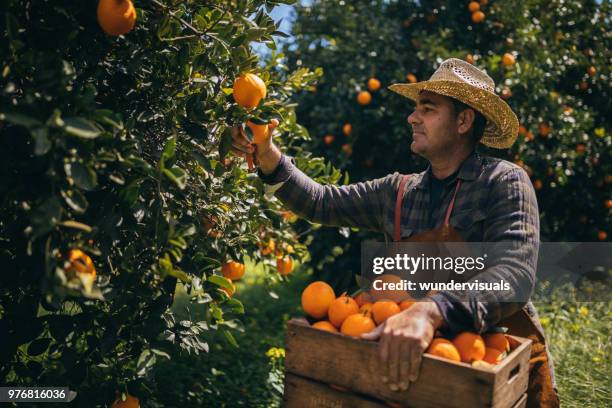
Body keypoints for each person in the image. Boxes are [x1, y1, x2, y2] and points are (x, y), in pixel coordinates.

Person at [231, 58, 559, 407]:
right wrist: (266, 154)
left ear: (463, 120)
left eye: (427, 109)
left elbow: (515, 276)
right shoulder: (397, 192)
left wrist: (431, 311)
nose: (412, 117)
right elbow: (321, 202)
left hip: (488, 364)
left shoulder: (503, 181)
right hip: (416, 365)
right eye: (416, 108)